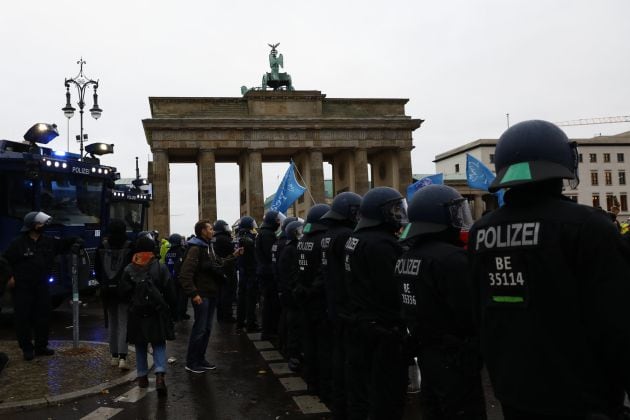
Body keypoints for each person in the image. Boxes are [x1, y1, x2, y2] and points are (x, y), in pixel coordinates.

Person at [468, 120, 630, 419]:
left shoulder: (482, 231)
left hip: (514, 391)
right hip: (582, 397)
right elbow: (617, 322)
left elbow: (480, 312)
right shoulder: (589, 226)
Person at [397, 185, 486, 419]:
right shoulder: (452, 258)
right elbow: (470, 313)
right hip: (455, 357)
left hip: (426, 352)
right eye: (455, 212)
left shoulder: (407, 256)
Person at [344, 187, 408, 420]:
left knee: (363, 391)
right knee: (387, 396)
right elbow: (393, 289)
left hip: (361, 323)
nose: (398, 214)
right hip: (383, 328)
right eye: (393, 210)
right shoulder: (382, 244)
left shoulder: (356, 238)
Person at [2, 211, 83, 360]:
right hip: (22, 287)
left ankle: (41, 346)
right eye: (40, 223)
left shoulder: (48, 241)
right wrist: (9, 277)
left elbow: (64, 243)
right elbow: (5, 261)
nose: (43, 225)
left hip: (41, 286)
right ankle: (27, 348)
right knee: (23, 318)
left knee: (43, 316)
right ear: (32, 226)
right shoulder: (18, 243)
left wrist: (77, 241)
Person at [319, 191, 362, 420]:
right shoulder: (346, 235)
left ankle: (338, 403)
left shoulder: (328, 235)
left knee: (338, 354)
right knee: (350, 360)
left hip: (332, 302)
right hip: (346, 305)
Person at [179, 220, 241, 374]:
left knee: (206, 329)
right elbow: (185, 274)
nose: (213, 231)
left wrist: (233, 256)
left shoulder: (208, 247)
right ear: (202, 231)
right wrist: (194, 293)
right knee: (199, 329)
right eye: (210, 229)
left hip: (211, 293)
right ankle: (191, 362)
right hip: (202, 295)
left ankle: (200, 359)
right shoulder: (195, 249)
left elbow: (218, 264)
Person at [119, 235, 175, 397]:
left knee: (140, 345)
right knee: (158, 343)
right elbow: (169, 289)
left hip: (136, 313)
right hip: (155, 311)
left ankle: (142, 376)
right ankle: (159, 374)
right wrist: (172, 307)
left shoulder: (129, 268)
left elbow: (122, 292)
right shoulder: (159, 266)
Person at [296, 204, 332, 401]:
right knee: (323, 346)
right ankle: (324, 387)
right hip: (319, 300)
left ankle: (311, 382)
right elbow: (323, 272)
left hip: (304, 299)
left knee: (309, 343)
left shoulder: (303, 241)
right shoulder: (322, 241)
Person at [95, 219, 133, 370]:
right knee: (124, 322)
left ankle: (113, 356)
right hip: (123, 290)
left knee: (112, 322)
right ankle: (123, 358)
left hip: (107, 290)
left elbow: (97, 270)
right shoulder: (130, 246)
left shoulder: (102, 246)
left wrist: (105, 282)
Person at [277, 220, 305, 371]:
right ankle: (292, 355)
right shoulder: (291, 250)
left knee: (288, 321)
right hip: (290, 293)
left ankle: (286, 348)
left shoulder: (289, 248)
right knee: (293, 324)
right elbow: (292, 273)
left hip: (287, 291)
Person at [256, 210, 284, 340]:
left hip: (263, 272)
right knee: (270, 303)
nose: (278, 222)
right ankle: (268, 331)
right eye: (277, 220)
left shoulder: (264, 232)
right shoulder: (268, 234)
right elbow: (271, 255)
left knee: (268, 302)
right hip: (268, 273)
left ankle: (267, 330)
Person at [235, 216, 259, 332]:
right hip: (250, 271)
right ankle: (251, 323)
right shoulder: (248, 238)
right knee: (250, 299)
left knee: (242, 298)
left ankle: (240, 322)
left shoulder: (239, 237)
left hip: (243, 271)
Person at [213, 220, 237, 323]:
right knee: (227, 293)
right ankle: (227, 316)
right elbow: (233, 251)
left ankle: (221, 316)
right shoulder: (225, 239)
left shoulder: (214, 239)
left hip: (219, 269)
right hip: (227, 268)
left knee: (220, 293)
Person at [163, 233, 188, 321]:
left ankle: (175, 314)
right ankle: (181, 314)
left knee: (174, 297)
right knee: (182, 297)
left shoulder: (168, 252)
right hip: (179, 277)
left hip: (170, 278)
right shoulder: (181, 252)